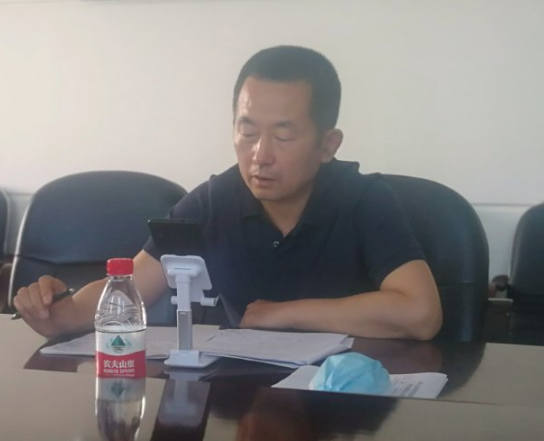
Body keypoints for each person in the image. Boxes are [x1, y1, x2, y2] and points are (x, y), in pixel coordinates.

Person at [13, 45, 442, 340]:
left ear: (328, 144)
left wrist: (285, 313)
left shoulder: (364, 200)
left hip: (345, 406)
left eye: (283, 136)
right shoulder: (212, 202)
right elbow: (131, 287)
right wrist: (62, 313)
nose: (260, 155)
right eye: (247, 131)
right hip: (244, 402)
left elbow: (421, 313)